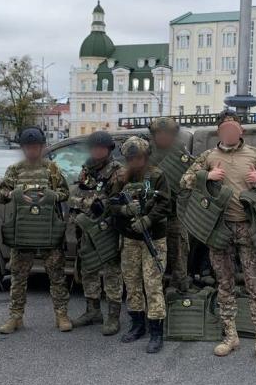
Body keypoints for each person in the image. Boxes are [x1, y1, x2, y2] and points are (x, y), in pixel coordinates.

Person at [180, 111, 256, 364]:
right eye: (225, 129)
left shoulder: (255, 155)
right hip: (219, 228)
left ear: (241, 132)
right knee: (224, 284)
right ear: (219, 133)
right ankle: (230, 336)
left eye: (233, 128)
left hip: (248, 227)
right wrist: (207, 176)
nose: (229, 133)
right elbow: (185, 181)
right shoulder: (208, 157)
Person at [0, 127, 71, 333]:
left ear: (42, 147)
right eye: (28, 147)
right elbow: (1, 194)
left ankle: (61, 314)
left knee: (56, 275)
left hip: (47, 230)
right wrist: (14, 194)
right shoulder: (15, 170)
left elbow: (65, 193)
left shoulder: (52, 169)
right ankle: (15, 317)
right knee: (18, 276)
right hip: (23, 231)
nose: (32, 151)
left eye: (36, 147)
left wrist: (52, 196)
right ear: (23, 148)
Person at [107, 136, 171, 353]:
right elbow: (112, 203)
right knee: (132, 283)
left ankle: (156, 331)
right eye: (131, 158)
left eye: (139, 157)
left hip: (153, 237)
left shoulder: (157, 175)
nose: (135, 161)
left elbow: (165, 204)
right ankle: (137, 325)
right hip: (130, 238)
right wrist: (124, 211)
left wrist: (148, 219)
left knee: (152, 284)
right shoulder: (120, 177)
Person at [67, 130, 124, 334]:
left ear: (108, 150)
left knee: (112, 272)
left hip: (106, 230)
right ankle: (93, 311)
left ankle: (113, 316)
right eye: (94, 148)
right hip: (85, 228)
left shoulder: (117, 171)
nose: (97, 151)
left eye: (101, 148)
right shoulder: (87, 169)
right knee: (88, 269)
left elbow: (120, 199)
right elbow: (80, 191)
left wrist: (104, 205)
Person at [148, 117, 192, 292]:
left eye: (167, 134)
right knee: (152, 262)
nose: (163, 137)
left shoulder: (181, 157)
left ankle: (179, 298)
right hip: (152, 216)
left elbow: (192, 185)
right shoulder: (146, 155)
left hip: (175, 216)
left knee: (179, 258)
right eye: (159, 134)